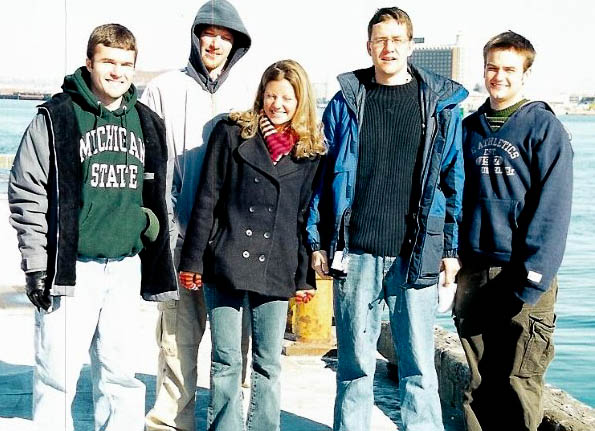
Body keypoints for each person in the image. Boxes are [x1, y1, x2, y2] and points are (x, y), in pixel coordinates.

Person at [7, 24, 177, 431]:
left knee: (121, 378)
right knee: (57, 376)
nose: (118, 72)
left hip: (125, 268)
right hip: (72, 270)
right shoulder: (57, 117)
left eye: (126, 64)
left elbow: (161, 189)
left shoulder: (147, 122)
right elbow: (27, 191)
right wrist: (36, 265)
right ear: (89, 62)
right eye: (108, 62)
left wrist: (149, 225)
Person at [307, 7, 467, 431]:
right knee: (354, 365)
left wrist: (450, 249)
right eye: (380, 40)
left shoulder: (438, 107)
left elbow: (452, 181)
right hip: (355, 252)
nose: (388, 48)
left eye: (397, 40)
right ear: (368, 46)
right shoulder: (345, 103)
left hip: (414, 252)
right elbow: (321, 177)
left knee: (418, 365)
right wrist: (316, 241)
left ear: (410, 46)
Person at [178, 59, 325, 431]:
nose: (278, 104)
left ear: (300, 101)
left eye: (287, 98)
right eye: (272, 95)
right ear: (261, 95)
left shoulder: (310, 152)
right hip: (226, 258)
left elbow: (303, 218)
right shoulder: (232, 133)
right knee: (226, 359)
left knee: (268, 363)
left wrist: (304, 277)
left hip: (277, 265)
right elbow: (207, 198)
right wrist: (193, 260)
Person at [140, 1, 251, 429]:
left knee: (232, 350)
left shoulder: (250, 93)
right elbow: (147, 166)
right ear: (195, 37)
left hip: (231, 248)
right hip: (179, 239)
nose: (216, 44)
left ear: (236, 45)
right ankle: (171, 423)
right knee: (176, 345)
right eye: (210, 34)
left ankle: (229, 422)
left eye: (225, 38)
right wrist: (159, 230)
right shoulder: (163, 89)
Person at [454, 31, 573, 431]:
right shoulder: (468, 129)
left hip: (522, 275)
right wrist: (452, 257)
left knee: (519, 382)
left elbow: (553, 208)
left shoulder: (544, 129)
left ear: (525, 74)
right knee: (477, 385)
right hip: (474, 274)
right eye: (492, 67)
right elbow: (453, 198)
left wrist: (532, 277)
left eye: (509, 69)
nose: (498, 76)